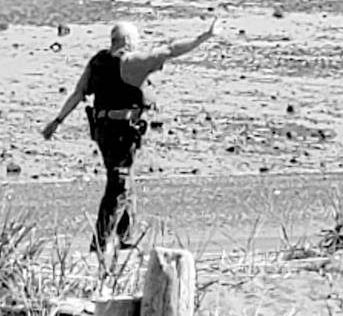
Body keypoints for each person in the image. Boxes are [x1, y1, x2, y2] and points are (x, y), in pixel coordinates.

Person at [42, 18, 217, 253]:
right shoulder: (132, 62)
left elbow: (78, 93)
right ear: (127, 42)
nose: (137, 45)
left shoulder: (97, 62)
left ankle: (126, 239)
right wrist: (202, 38)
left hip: (102, 131)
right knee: (119, 184)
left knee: (125, 182)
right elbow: (171, 50)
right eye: (135, 41)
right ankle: (100, 243)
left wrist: (57, 121)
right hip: (121, 133)